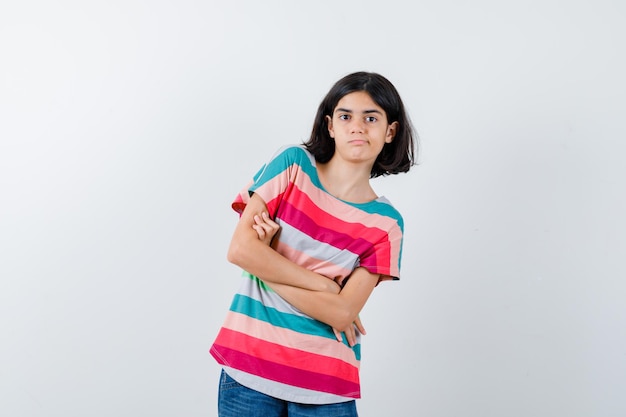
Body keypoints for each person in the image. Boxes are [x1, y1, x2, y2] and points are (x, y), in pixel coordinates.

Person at [210, 71, 417, 417]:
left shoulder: (387, 223)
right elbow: (240, 250)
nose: (357, 127)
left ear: (390, 131)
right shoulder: (292, 165)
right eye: (345, 116)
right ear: (330, 125)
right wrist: (323, 285)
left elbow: (341, 312)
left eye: (371, 117)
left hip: (326, 386)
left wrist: (267, 261)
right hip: (248, 370)